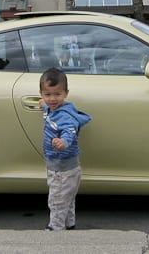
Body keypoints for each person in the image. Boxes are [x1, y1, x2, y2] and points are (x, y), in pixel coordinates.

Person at [39, 67, 91, 231]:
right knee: (67, 200)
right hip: (68, 167)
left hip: (61, 170)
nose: (52, 99)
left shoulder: (65, 117)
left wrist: (63, 142)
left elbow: (70, 131)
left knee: (57, 200)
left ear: (66, 93)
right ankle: (69, 225)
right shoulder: (54, 109)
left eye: (57, 94)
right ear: (41, 93)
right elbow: (48, 107)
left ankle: (56, 230)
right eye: (48, 95)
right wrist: (43, 105)